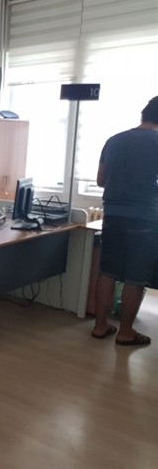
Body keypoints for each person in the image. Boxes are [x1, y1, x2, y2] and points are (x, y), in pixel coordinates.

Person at [92, 96, 158, 346]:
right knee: (135, 277)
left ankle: (100, 326)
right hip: (144, 219)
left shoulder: (114, 140)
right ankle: (126, 332)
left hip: (112, 216)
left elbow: (101, 180)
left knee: (107, 272)